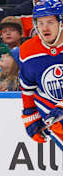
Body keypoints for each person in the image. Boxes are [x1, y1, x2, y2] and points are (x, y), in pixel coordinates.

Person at [18, 0, 63, 146]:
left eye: (50, 22)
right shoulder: (27, 50)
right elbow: (27, 88)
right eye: (40, 23)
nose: (45, 28)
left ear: (61, 23)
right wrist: (31, 116)